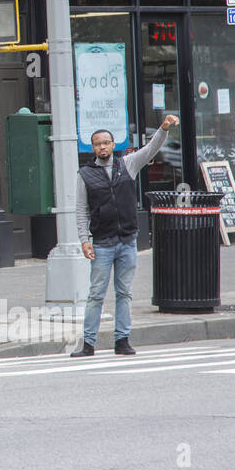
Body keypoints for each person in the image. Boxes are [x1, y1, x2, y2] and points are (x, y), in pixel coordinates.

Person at [72, 115, 179, 357]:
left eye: (106, 143)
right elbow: (81, 210)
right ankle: (88, 343)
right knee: (96, 294)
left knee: (124, 293)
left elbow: (151, 148)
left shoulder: (127, 164)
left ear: (113, 145)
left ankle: (122, 340)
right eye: (98, 143)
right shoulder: (85, 175)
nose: (102, 147)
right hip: (102, 243)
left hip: (127, 241)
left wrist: (163, 128)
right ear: (93, 147)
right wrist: (84, 239)